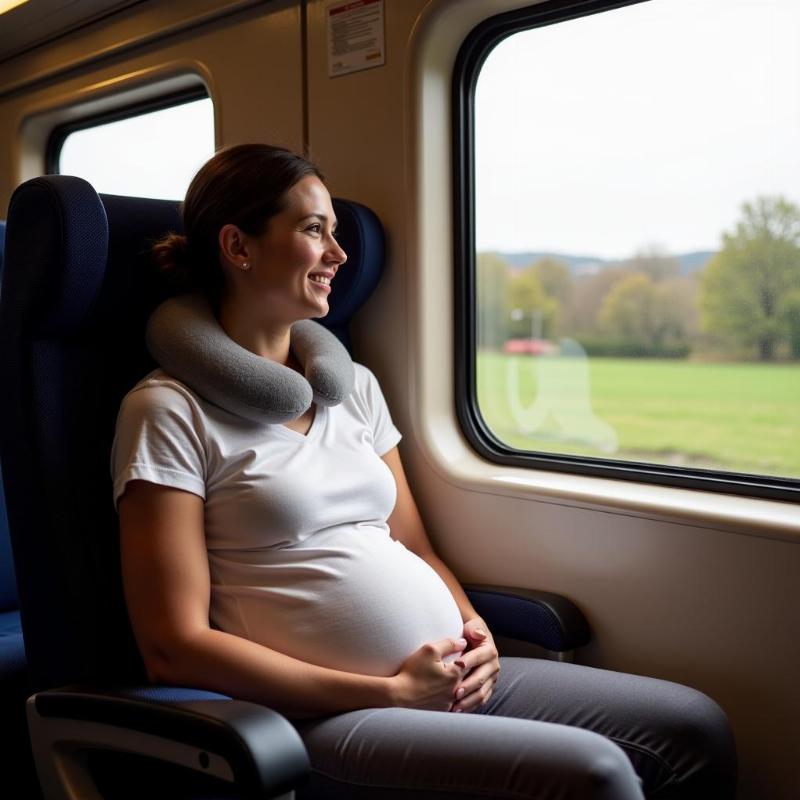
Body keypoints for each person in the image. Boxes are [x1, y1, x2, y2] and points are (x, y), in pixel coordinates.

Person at [112, 143, 736, 799]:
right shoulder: (166, 411)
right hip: (323, 717)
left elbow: (414, 546)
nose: (339, 256)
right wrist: (388, 692)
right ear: (238, 247)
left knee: (693, 727)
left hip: (449, 678)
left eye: (337, 232)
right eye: (313, 230)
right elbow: (173, 646)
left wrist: (477, 635)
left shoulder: (351, 388)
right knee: (597, 777)